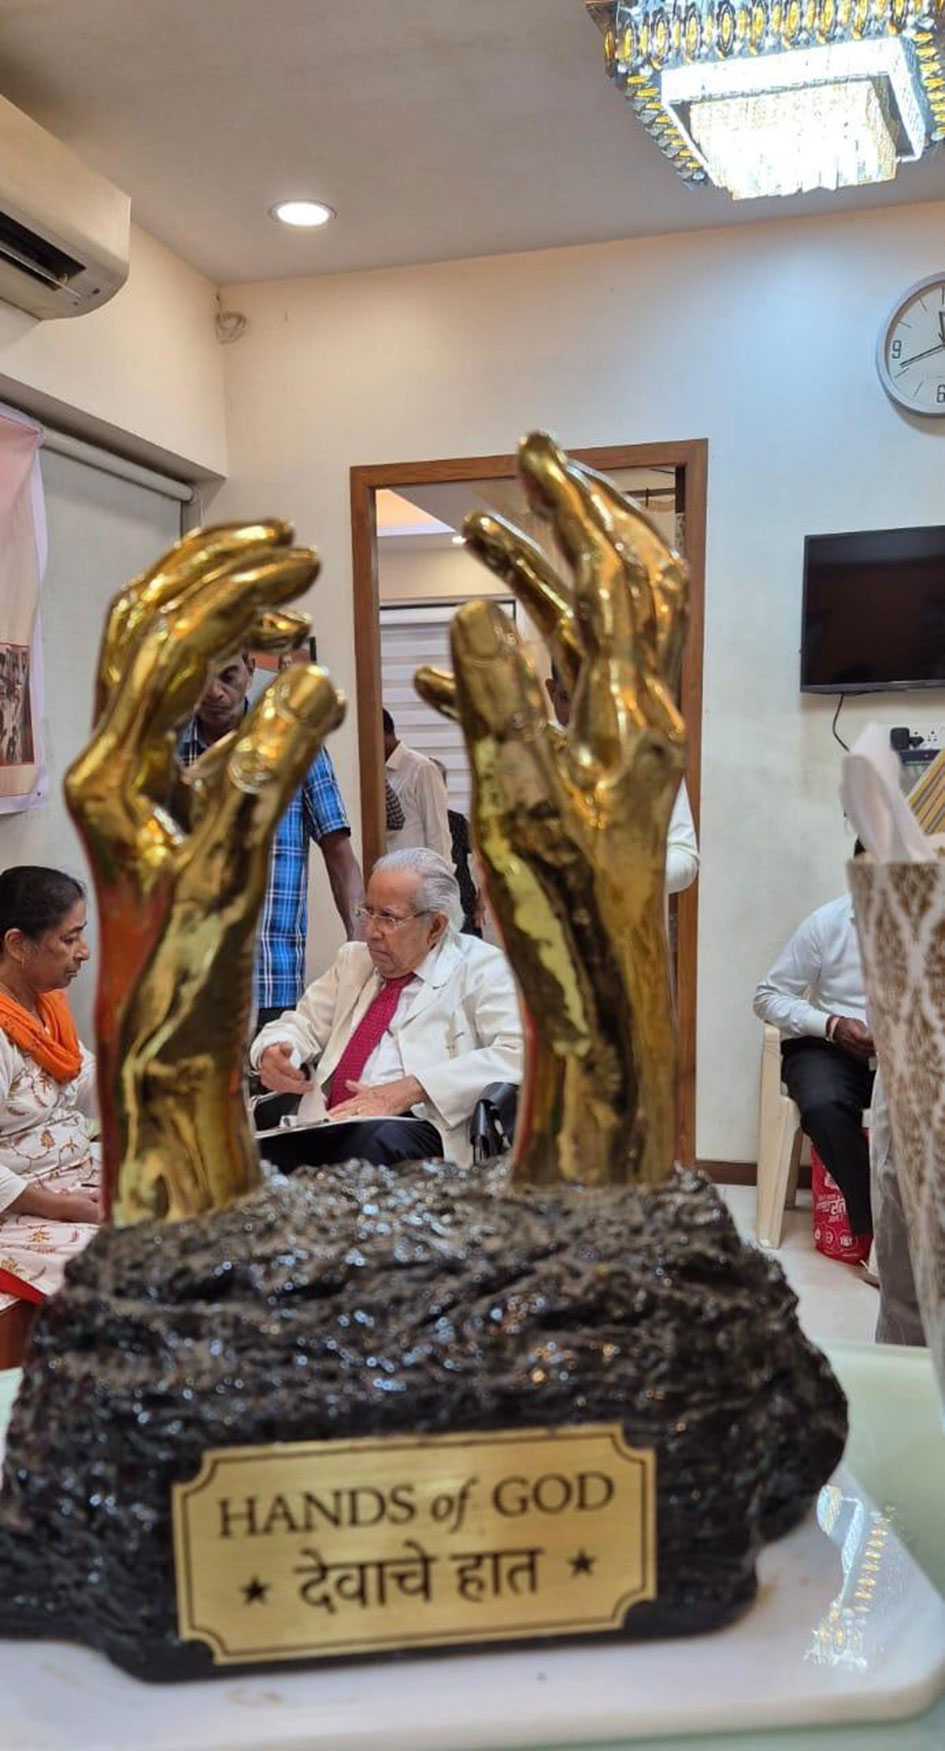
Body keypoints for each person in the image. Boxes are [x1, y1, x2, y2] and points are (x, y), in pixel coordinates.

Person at [249, 848, 522, 1167]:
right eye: (368, 912)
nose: (371, 931)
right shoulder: (353, 961)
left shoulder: (483, 969)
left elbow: (519, 1053)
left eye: (388, 918)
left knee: (370, 1144)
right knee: (251, 1160)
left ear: (435, 926)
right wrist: (277, 1050)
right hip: (333, 1121)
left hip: (423, 1123)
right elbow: (300, 1024)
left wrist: (411, 1089)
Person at [178, 652, 364, 1027]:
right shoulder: (168, 753)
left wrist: (360, 947)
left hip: (270, 978)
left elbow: (340, 857)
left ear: (250, 669)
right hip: (188, 980)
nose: (214, 692)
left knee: (275, 1066)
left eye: (227, 676)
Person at [0, 867, 101, 1313]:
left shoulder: (47, 1007)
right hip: (21, 1208)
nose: (84, 952)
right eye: (69, 938)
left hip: (76, 1175)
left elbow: (83, 1083)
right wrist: (60, 1208)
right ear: (18, 944)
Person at [753, 871, 874, 1241]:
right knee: (823, 1105)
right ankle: (880, 1227)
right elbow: (768, 996)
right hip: (830, 1049)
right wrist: (831, 1024)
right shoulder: (826, 924)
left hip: (911, 1055)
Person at [544, 665, 699, 894]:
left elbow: (684, 855)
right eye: (568, 697)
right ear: (552, 691)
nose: (583, 715)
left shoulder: (649, 752)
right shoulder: (533, 753)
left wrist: (620, 878)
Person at [382, 708, 452, 865]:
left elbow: (438, 833)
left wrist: (439, 875)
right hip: (387, 873)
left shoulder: (421, 768)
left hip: (417, 873)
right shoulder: (376, 774)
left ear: (381, 734)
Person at [432, 759, 482, 936]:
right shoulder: (413, 823)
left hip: (463, 903)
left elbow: (483, 858)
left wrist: (482, 903)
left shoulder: (456, 821)